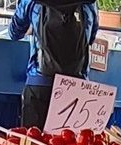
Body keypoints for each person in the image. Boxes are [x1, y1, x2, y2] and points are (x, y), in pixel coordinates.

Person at [10, 0, 100, 128]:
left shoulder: (31, 2)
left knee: (33, 142)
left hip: (40, 83)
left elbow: (14, 32)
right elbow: (90, 38)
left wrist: (33, 29)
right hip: (77, 86)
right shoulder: (90, 4)